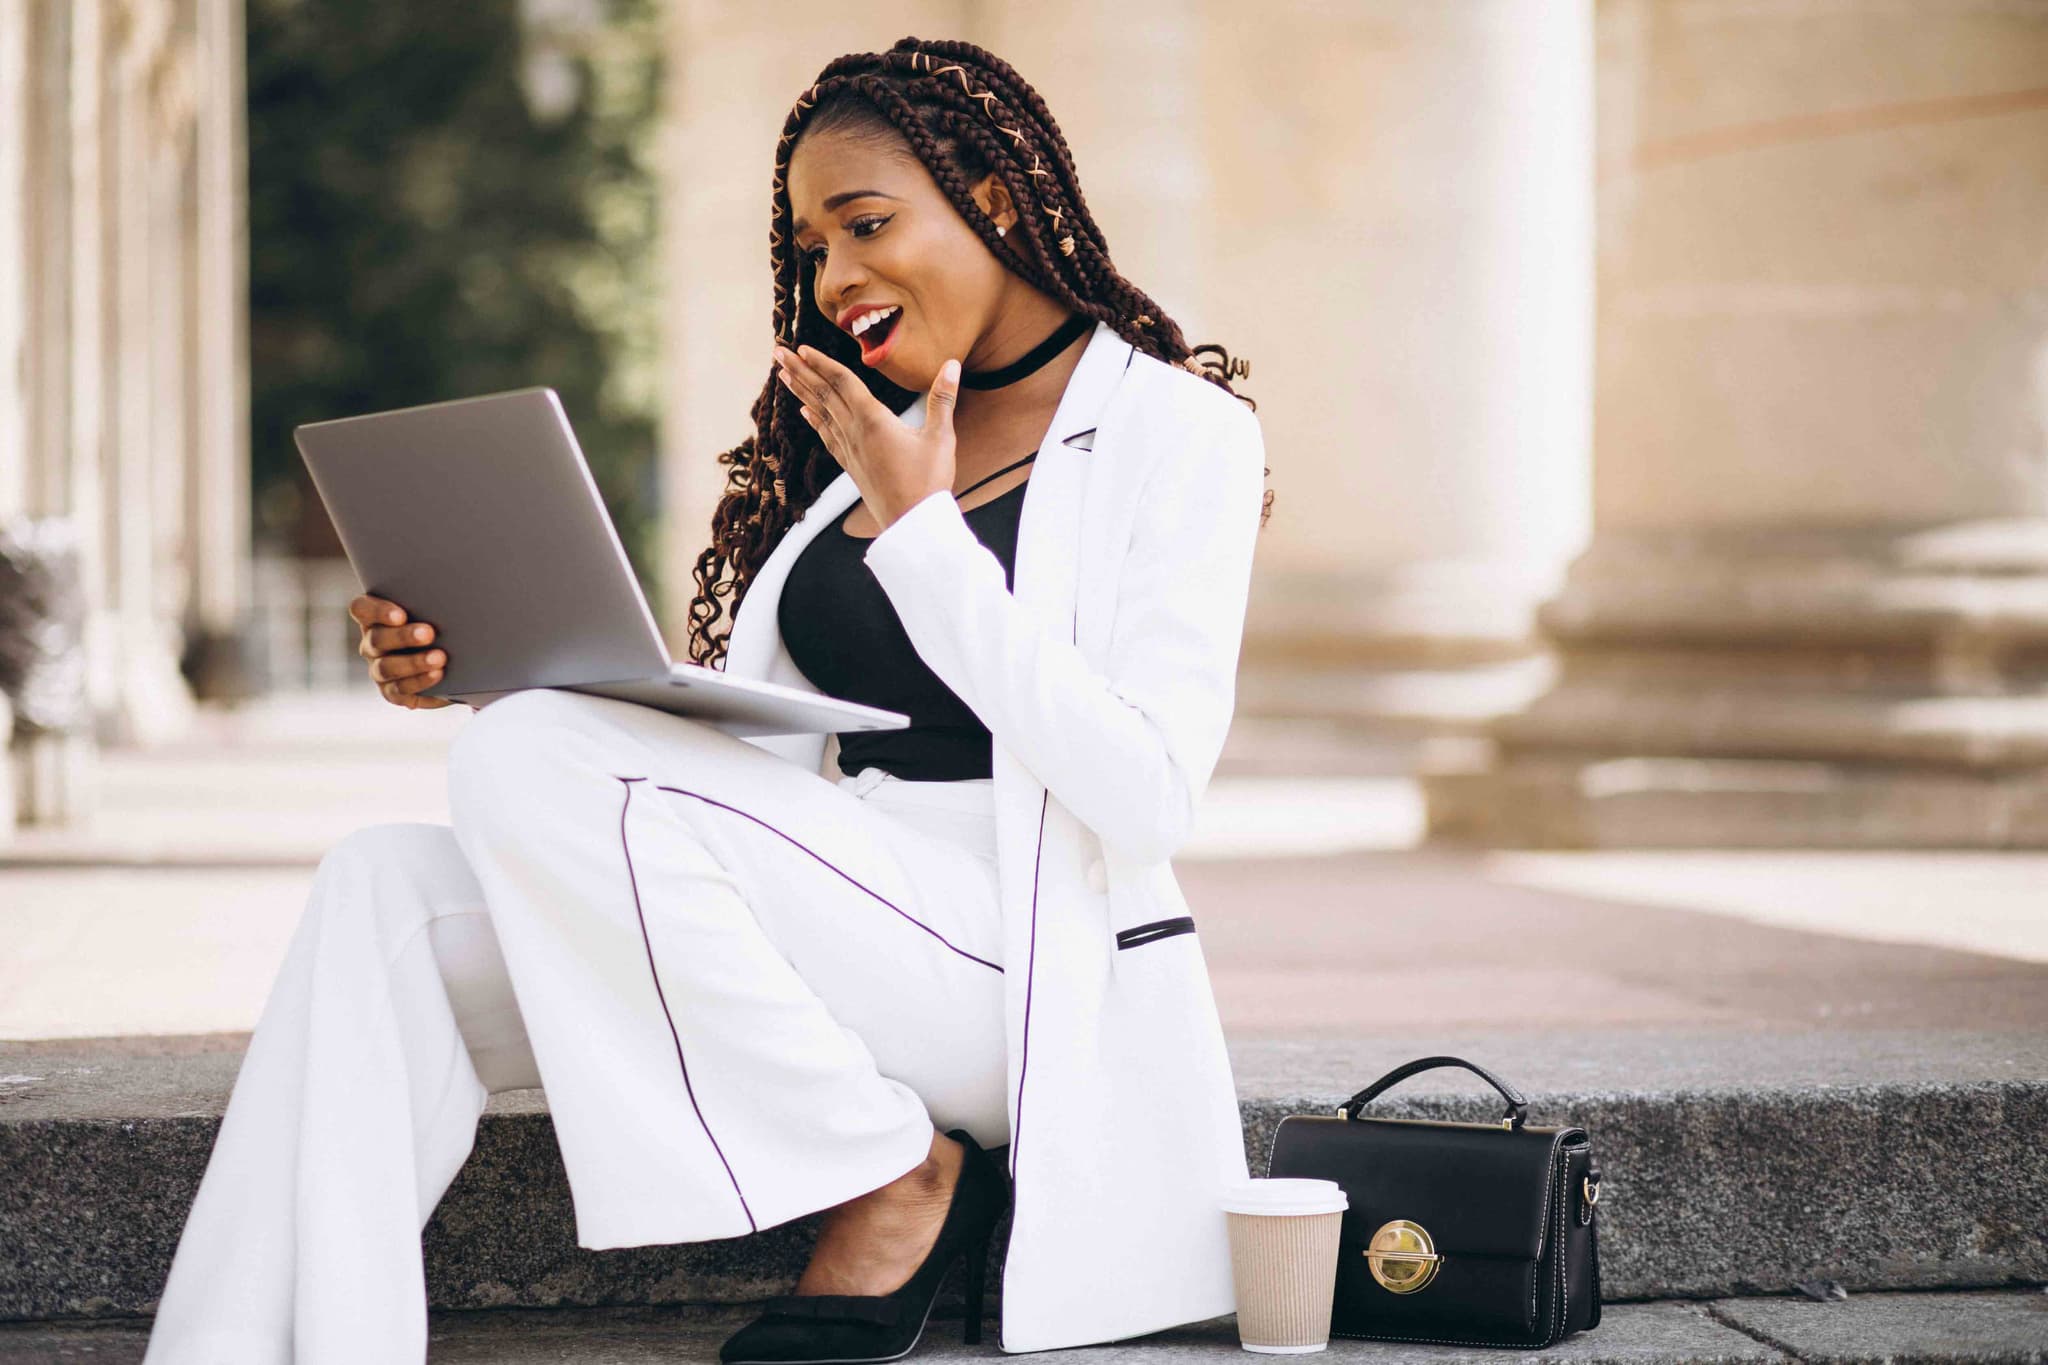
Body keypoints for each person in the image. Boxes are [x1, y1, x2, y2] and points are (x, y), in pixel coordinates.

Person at [141, 34, 1270, 1365]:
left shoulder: (1176, 434)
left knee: (540, 754)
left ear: (1003, 199)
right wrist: (492, 664)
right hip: (834, 927)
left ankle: (896, 1169)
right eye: (811, 250)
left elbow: (1147, 792)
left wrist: (923, 539)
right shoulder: (857, 465)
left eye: (866, 225)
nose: (835, 279)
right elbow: (753, 766)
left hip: (1021, 959)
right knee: (383, 890)